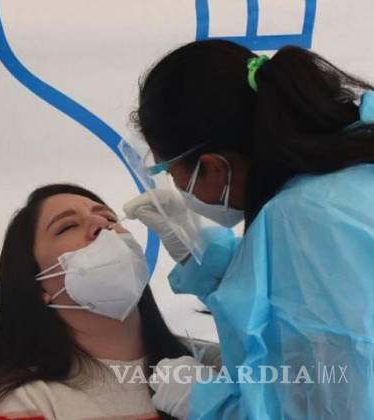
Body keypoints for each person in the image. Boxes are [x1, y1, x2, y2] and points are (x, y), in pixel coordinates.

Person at [123, 39, 374, 419]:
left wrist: (210, 404)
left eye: (171, 174)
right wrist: (215, 267)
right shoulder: (347, 171)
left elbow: (335, 403)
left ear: (215, 167)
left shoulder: (304, 219)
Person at [0, 183, 210, 420]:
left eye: (110, 218)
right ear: (36, 284)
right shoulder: (20, 402)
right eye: (68, 226)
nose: (101, 224)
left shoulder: (210, 365)